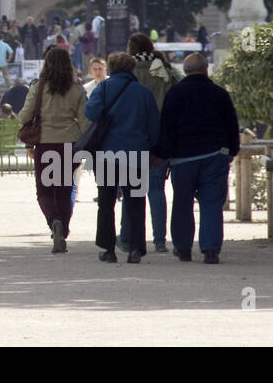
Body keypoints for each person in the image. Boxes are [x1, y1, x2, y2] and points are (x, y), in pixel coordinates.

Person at [155, 54, 241, 263]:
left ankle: (183, 247)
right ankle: (210, 249)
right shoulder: (219, 94)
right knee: (211, 202)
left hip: (182, 158)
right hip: (214, 155)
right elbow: (231, 125)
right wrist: (232, 151)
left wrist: (163, 155)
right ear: (206, 70)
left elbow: (166, 128)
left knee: (182, 202)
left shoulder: (174, 94)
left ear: (185, 71)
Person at [87, 52, 160, 264]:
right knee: (135, 202)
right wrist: (153, 151)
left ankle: (108, 249)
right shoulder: (143, 93)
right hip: (135, 155)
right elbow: (153, 126)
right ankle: (136, 248)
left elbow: (91, 113)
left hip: (108, 154)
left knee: (106, 202)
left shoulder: (103, 88)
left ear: (110, 68)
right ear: (131, 69)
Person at [17, 46, 88, 253]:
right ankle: (63, 229)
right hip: (70, 144)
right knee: (65, 191)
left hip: (46, 143)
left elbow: (24, 117)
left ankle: (53, 221)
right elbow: (85, 122)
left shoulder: (38, 87)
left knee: (44, 191)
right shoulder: (77, 89)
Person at [119, 32, 181, 254]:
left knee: (131, 191)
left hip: (132, 136)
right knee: (157, 190)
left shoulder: (127, 71)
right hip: (160, 137)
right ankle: (160, 239)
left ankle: (127, 237)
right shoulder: (163, 69)